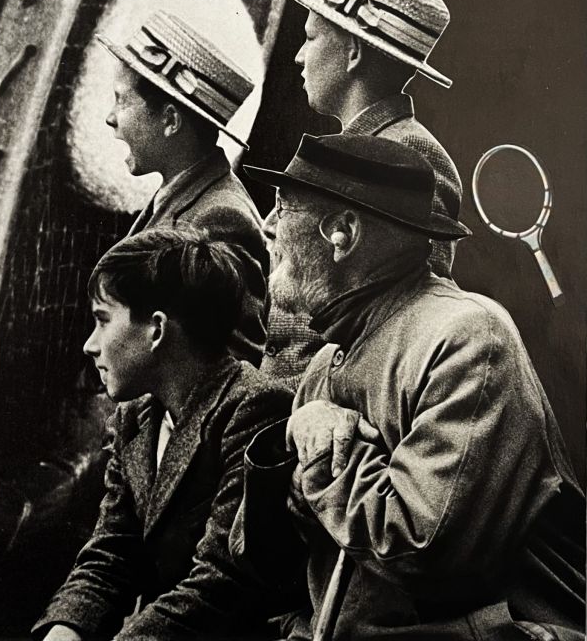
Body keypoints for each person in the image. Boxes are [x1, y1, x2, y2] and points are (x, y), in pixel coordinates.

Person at [234, 133, 585, 640]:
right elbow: (264, 562)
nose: (267, 227)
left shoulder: (467, 336)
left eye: (283, 208)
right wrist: (288, 440)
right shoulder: (326, 363)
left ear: (341, 232)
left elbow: (420, 549)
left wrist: (319, 450)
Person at [33, 227, 294, 641]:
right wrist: (64, 631)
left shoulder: (255, 410)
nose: (90, 344)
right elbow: (112, 552)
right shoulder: (135, 416)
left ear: (157, 329)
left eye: (103, 321)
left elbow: (222, 582)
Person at [263, 0, 464, 389]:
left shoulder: (411, 154)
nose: (298, 57)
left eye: (311, 38)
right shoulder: (335, 152)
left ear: (353, 52)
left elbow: (401, 326)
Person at [98, 10, 268, 366]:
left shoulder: (221, 219)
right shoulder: (180, 196)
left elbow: (236, 366)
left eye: (122, 100)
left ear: (171, 120)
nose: (110, 117)